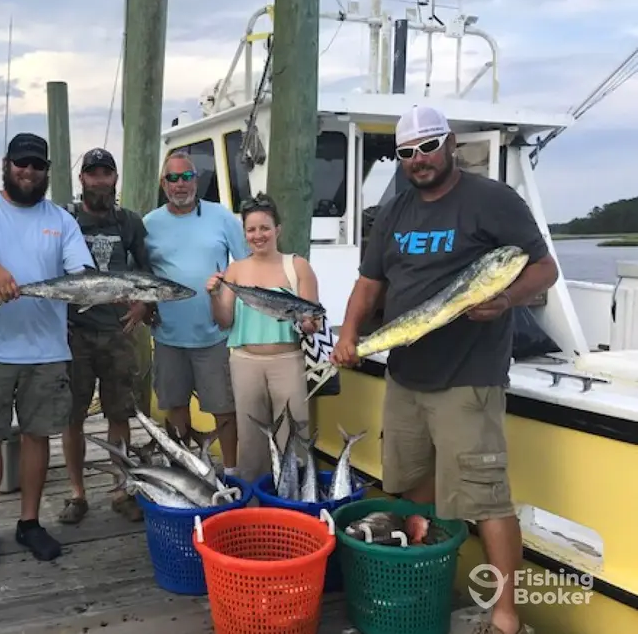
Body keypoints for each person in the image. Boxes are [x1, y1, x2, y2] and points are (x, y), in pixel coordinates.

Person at [332, 105, 559, 634]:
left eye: (428, 147)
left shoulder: (492, 200)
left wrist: (505, 301)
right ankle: (435, 580)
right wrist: (349, 335)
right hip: (406, 373)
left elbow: (544, 268)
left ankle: (504, 614)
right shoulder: (394, 211)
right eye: (406, 153)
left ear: (451, 143)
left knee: (486, 499)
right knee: (414, 487)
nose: (419, 160)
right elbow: (370, 284)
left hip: (468, 378)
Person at [0, 132, 95, 570]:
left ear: (47, 171)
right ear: (6, 165)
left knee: (38, 435)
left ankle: (29, 521)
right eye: (20, 164)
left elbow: (80, 271)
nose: (27, 172)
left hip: (47, 349)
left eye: (36, 165)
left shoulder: (62, 221)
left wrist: (106, 290)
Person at [58, 147, 152, 525]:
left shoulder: (129, 222)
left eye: (106, 174)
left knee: (118, 413)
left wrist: (144, 306)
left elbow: (146, 269)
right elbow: (52, 269)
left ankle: (119, 488)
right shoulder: (66, 221)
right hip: (74, 334)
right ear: (82, 179)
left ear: (115, 179)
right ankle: (76, 493)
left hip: (117, 332)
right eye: (92, 173)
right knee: (72, 415)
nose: (99, 180)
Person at [143, 151, 250, 475]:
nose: (180, 184)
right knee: (174, 405)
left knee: (224, 407)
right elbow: (140, 273)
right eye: (172, 178)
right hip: (168, 335)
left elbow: (244, 265)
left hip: (215, 335)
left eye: (186, 177)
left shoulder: (222, 217)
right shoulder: (149, 224)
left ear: (196, 180)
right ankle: (185, 469)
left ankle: (231, 470)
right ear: (163, 184)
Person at [205, 193, 320, 484]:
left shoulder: (298, 266)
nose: (259, 235)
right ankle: (254, 501)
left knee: (294, 433)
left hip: (288, 361)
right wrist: (214, 296)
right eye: (252, 230)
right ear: (244, 234)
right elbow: (224, 321)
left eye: (265, 228)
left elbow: (313, 319)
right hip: (244, 362)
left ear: (278, 229)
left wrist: (308, 323)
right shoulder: (236, 270)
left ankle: (294, 498)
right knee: (251, 436)